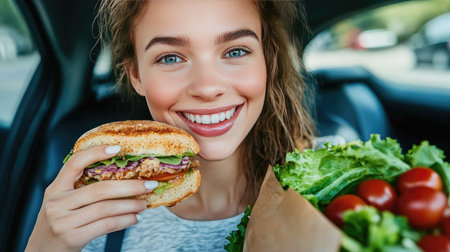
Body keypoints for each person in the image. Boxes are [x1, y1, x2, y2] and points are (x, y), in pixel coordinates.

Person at [26, 0, 315, 251]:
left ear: (267, 59)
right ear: (136, 75)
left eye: (236, 51)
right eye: (171, 57)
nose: (207, 87)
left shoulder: (331, 179)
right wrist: (44, 246)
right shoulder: (91, 222)